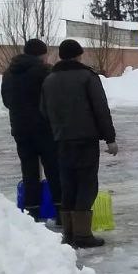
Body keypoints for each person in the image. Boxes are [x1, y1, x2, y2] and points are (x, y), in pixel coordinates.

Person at [39, 39, 118, 248]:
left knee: (68, 185)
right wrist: (110, 139)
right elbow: (101, 109)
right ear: (78, 55)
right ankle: (82, 235)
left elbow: (44, 111)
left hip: (61, 141)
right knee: (87, 184)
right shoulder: (87, 77)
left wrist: (58, 130)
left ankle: (69, 233)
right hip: (85, 140)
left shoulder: (50, 80)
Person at [0, 38, 62, 223]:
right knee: (53, 170)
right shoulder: (45, 72)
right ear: (41, 54)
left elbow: (7, 101)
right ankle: (61, 212)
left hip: (20, 129)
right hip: (44, 128)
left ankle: (31, 215)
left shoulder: (9, 73)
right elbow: (53, 99)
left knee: (29, 172)